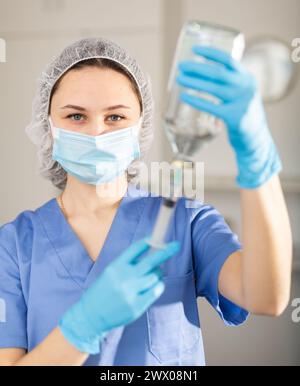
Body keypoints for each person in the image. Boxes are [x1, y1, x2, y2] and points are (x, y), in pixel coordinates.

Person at [0, 37, 292, 366]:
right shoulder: (13, 246)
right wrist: (83, 327)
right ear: (48, 126)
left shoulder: (188, 222)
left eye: (115, 118)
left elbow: (267, 298)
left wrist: (256, 156)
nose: (97, 133)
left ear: (141, 127)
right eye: (76, 117)